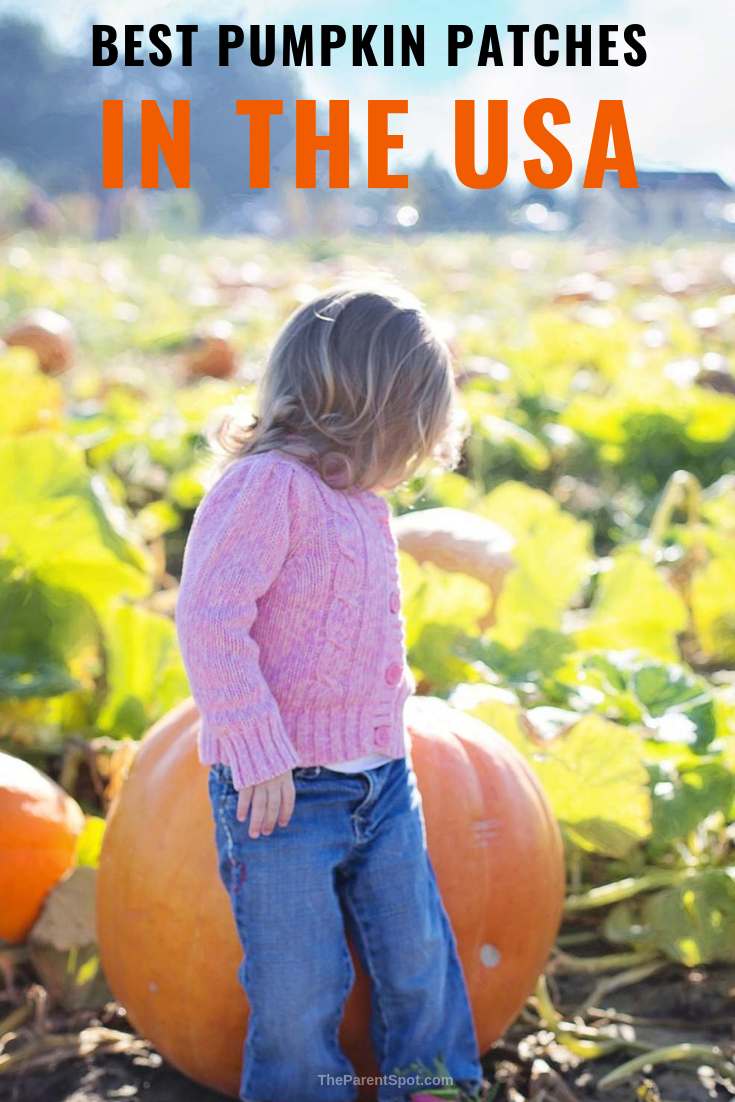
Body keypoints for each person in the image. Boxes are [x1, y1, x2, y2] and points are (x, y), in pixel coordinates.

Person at [175, 283, 489, 1102]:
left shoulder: (360, 498)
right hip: (280, 794)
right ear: (375, 414)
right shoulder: (265, 488)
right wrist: (254, 750)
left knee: (417, 954)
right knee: (298, 985)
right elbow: (210, 620)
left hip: (382, 782)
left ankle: (433, 1083)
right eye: (414, 436)